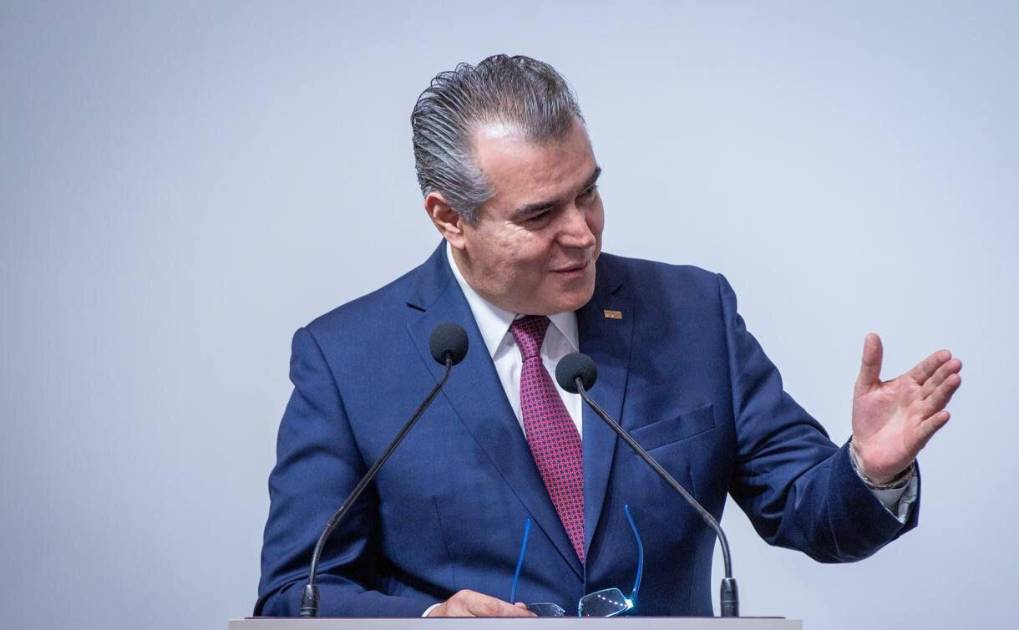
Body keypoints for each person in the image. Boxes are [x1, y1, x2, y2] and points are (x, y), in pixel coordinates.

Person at [255, 54, 962, 618]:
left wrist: (870, 470)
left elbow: (811, 515)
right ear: (449, 218)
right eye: (539, 215)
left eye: (587, 192)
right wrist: (428, 620)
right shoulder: (347, 359)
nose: (582, 233)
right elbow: (295, 594)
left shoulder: (692, 313)